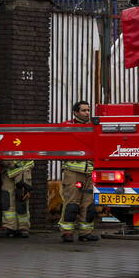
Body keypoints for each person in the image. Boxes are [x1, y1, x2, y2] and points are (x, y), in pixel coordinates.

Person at [60, 100, 98, 243]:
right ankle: (67, 232)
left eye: (88, 110)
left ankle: (86, 233)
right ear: (75, 112)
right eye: (83, 110)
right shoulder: (67, 127)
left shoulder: (93, 127)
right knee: (71, 204)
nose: (87, 113)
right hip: (73, 171)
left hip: (90, 172)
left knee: (88, 205)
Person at [0, 160, 34, 238]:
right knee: (7, 200)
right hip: (7, 172)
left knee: (21, 200)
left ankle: (23, 228)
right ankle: (9, 227)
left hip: (22, 170)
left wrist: (7, 161)